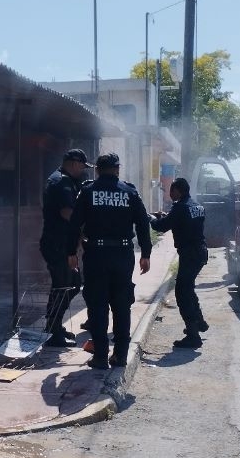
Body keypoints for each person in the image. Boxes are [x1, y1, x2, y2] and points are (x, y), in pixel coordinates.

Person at [67, 153, 152, 369]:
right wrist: (146, 253)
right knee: (122, 305)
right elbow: (143, 223)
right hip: (123, 256)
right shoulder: (130, 191)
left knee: (97, 305)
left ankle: (100, 357)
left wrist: (71, 253)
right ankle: (120, 355)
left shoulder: (88, 191)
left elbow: (74, 224)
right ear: (117, 169)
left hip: (96, 255)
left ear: (97, 170)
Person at [151, 177, 209, 348]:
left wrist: (151, 219)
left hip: (189, 254)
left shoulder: (180, 208)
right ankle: (199, 321)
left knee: (182, 293)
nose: (170, 193)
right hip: (200, 252)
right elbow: (182, 221)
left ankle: (193, 335)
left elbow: (161, 227)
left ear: (178, 190)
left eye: (172, 190)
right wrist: (168, 217)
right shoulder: (196, 206)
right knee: (188, 287)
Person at [38, 149, 88, 347]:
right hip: (56, 243)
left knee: (70, 283)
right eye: (82, 166)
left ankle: (53, 326)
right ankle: (53, 330)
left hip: (60, 243)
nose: (83, 170)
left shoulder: (61, 179)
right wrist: (85, 230)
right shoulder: (62, 182)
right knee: (65, 284)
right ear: (74, 163)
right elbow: (67, 212)